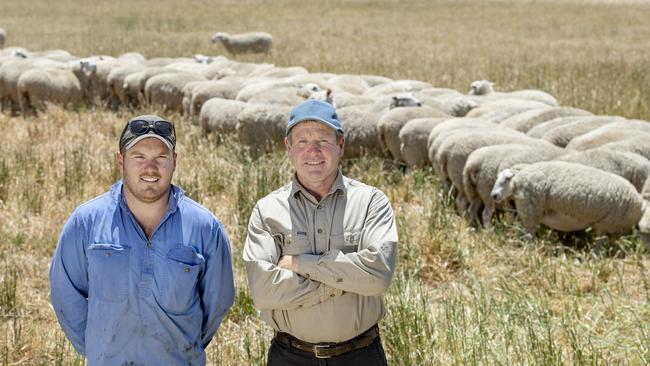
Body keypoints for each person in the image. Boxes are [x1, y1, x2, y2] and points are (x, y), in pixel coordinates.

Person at [49, 115, 235, 365]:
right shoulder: (86, 222)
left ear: (174, 162)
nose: (150, 168)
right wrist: (97, 347)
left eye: (160, 157)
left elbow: (218, 301)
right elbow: (66, 293)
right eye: (138, 157)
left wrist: (183, 346)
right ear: (120, 160)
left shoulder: (206, 228)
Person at [244, 100, 398, 365]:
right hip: (290, 356)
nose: (312, 151)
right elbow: (263, 291)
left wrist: (300, 264)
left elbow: (378, 276)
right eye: (302, 141)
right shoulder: (267, 210)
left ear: (340, 145)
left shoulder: (371, 202)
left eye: (323, 141)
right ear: (288, 148)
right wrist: (344, 282)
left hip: (360, 355)